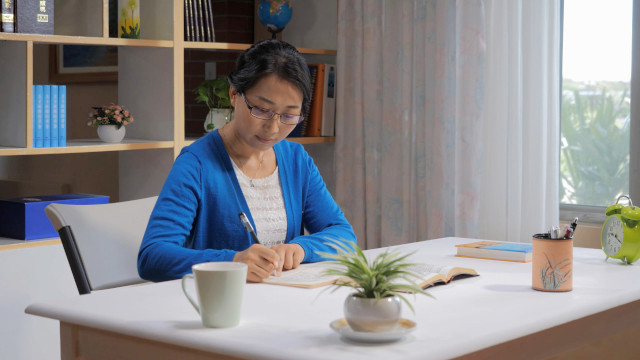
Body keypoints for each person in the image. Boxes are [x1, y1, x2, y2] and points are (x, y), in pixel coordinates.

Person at [137, 39, 356, 282]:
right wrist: (232, 262)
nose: (273, 128)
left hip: (283, 303)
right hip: (221, 310)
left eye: (289, 115)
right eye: (262, 110)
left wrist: (301, 248)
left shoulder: (296, 160)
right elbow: (152, 257)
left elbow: (343, 235)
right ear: (234, 94)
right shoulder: (197, 164)